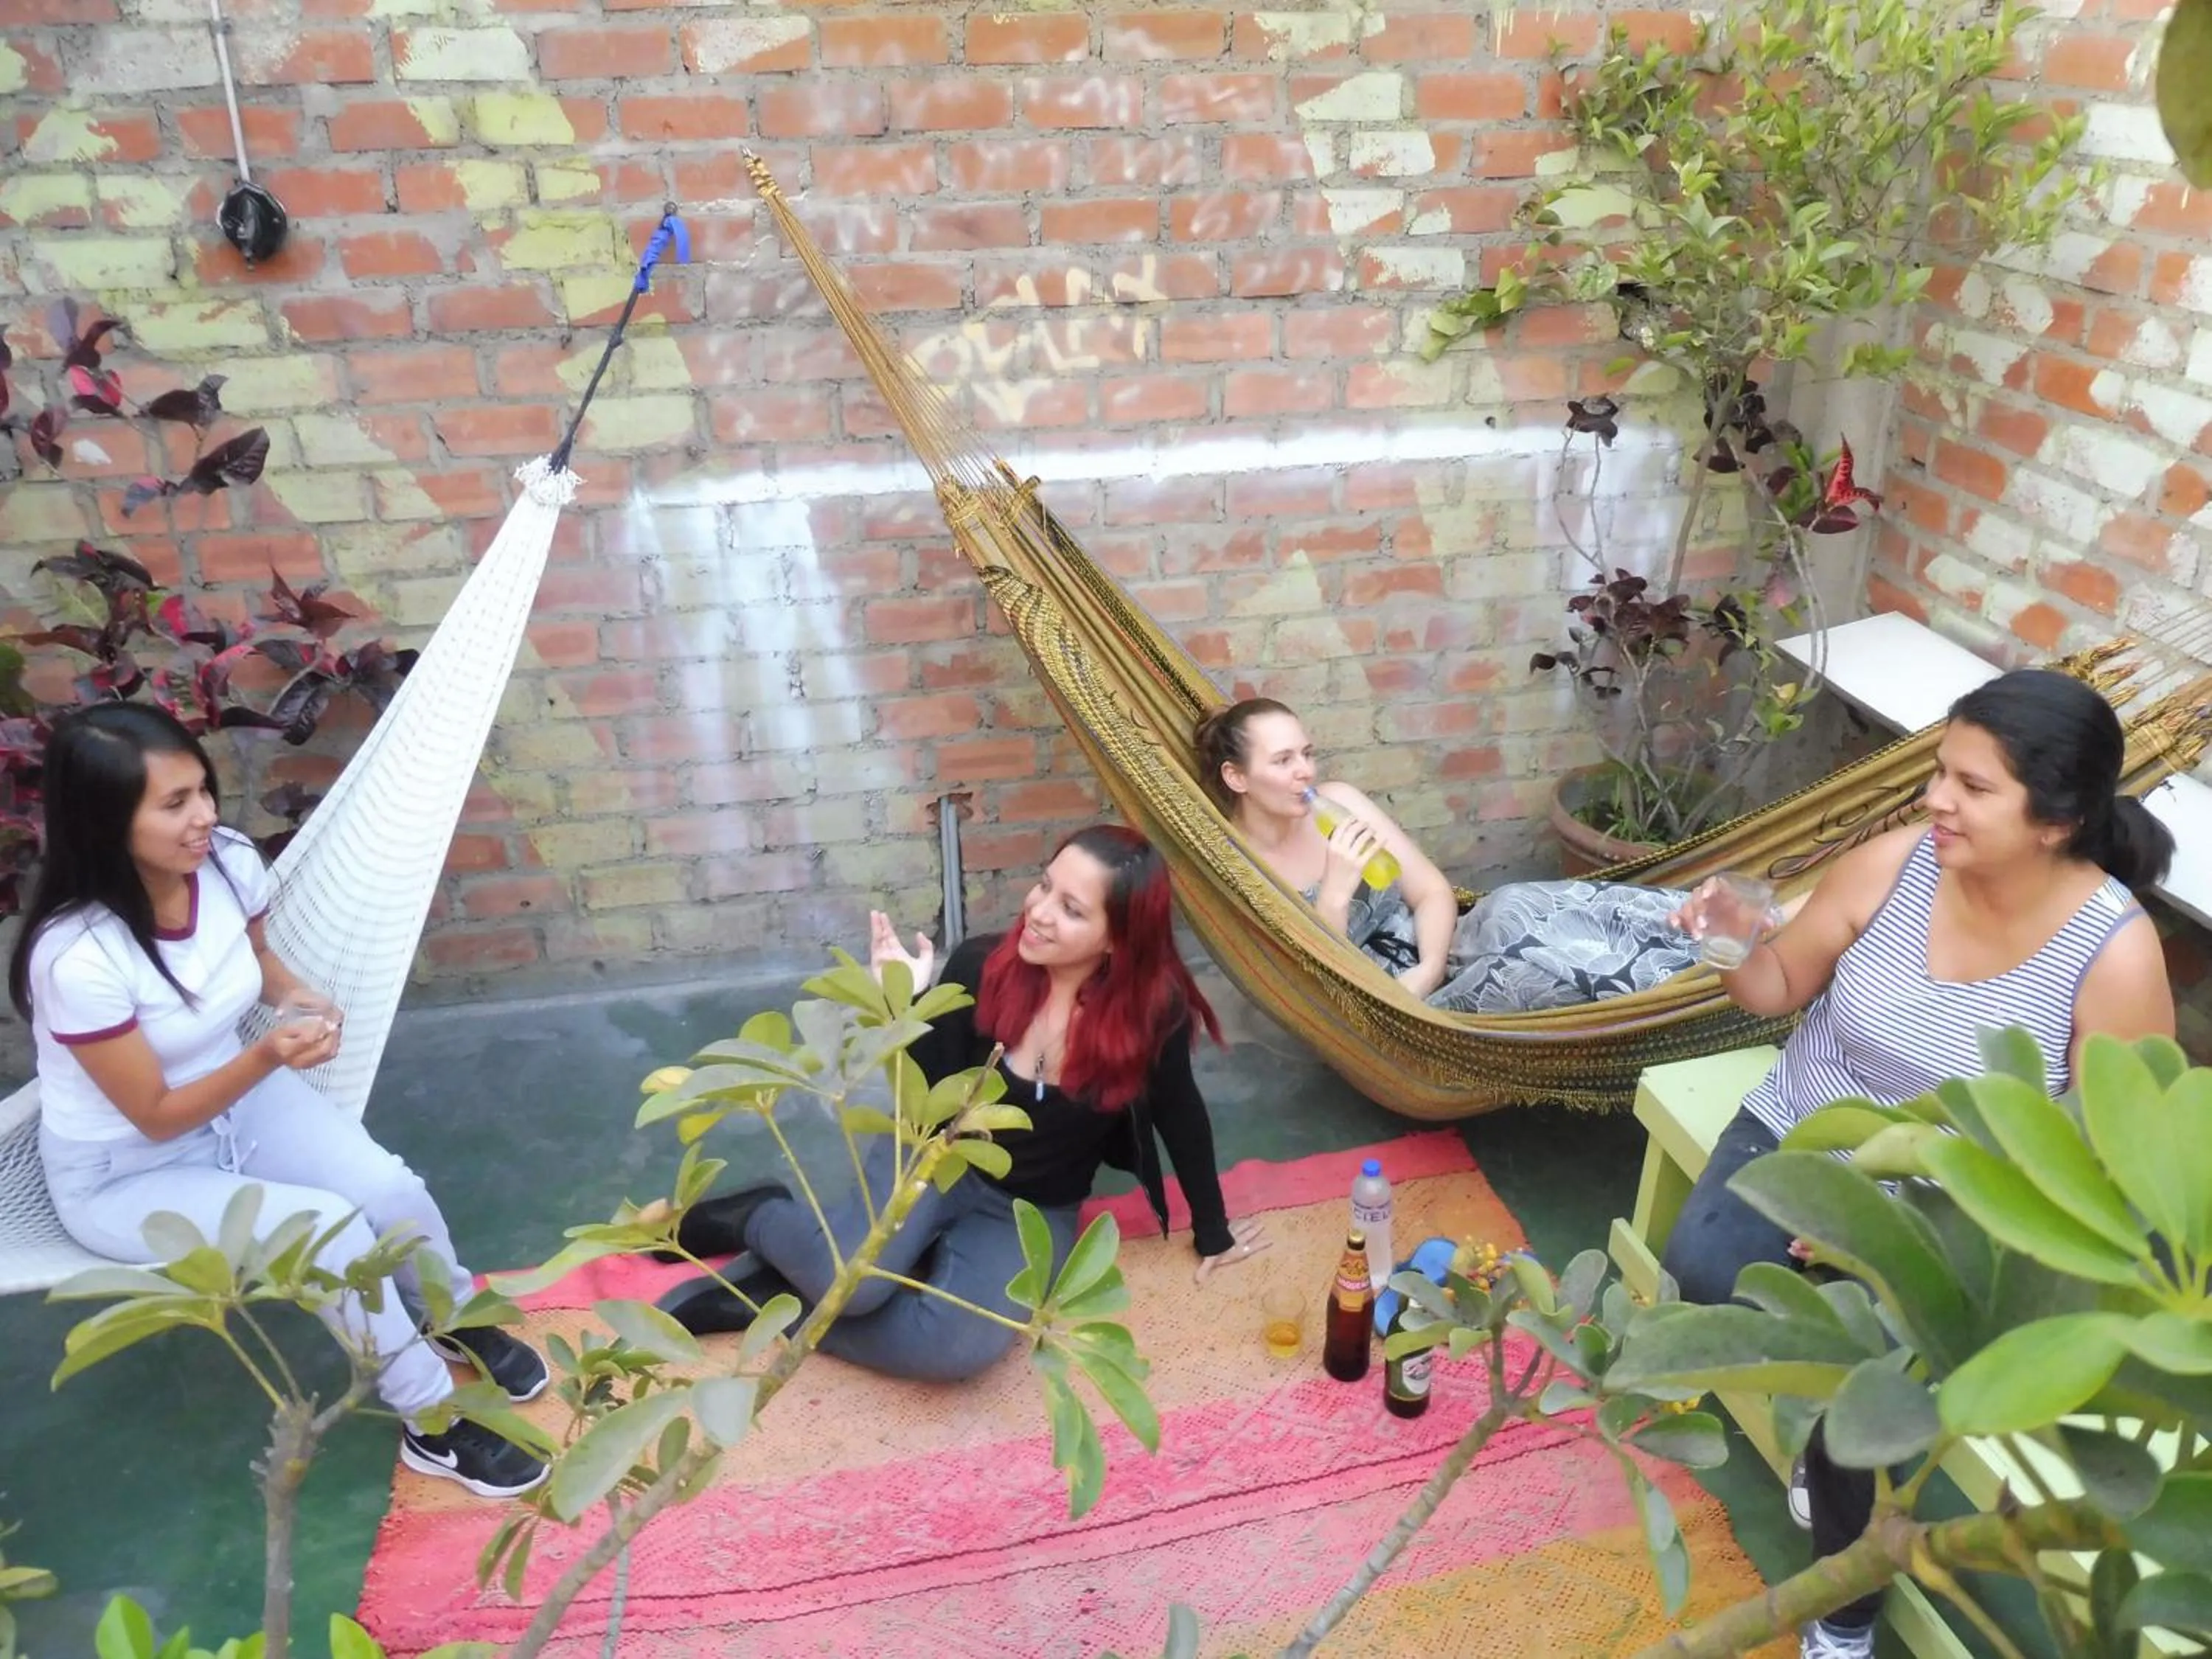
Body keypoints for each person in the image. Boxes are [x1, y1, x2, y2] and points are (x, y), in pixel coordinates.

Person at [1663, 668, 2176, 1659]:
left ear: (2057, 821)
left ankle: (1843, 1613)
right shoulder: (1896, 866)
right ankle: (1828, 1438)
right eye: (1940, 771)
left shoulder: (2111, 954)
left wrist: (1894, 1237)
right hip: (1804, 1125)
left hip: (1955, 1202)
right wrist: (1729, 944)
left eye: (1972, 786)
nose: (1936, 799)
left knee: (1867, 1379)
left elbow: (2109, 1157)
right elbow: (1778, 984)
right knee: (1707, 1270)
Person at [10, 703, 549, 1500]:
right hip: (127, 1171)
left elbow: (255, 954)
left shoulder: (226, 863)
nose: (203, 817)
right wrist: (268, 1053)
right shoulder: (78, 959)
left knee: (389, 1190)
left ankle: (452, 1316)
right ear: (105, 823)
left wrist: (298, 998)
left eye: (202, 790)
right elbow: (154, 1114)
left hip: (236, 1101)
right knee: (328, 1232)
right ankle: (432, 1421)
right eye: (174, 804)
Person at [655, 825, 1270, 1377]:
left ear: (1117, 939)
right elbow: (921, 1096)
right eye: (1044, 886)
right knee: (858, 1287)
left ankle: (781, 1306)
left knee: (953, 1350)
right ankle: (758, 1214)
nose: (1039, 913)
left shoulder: (1151, 1015)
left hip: (1031, 1207)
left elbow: (1181, 1116)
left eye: (1072, 909)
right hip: (935, 1154)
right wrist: (904, 1006)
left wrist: (1212, 1230)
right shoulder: (982, 966)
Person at [1193, 698, 1700, 1012]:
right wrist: (1337, 892)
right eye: (1283, 760)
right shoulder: (1239, 867)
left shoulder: (1338, 802)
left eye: (1306, 754)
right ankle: (1692, 991)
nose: (1305, 771)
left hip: (1442, 949)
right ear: (1236, 777)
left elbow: (1432, 891)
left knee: (1513, 907)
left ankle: (1703, 930)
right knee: (1526, 974)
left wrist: (1432, 965)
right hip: (1390, 1005)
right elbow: (1315, 988)